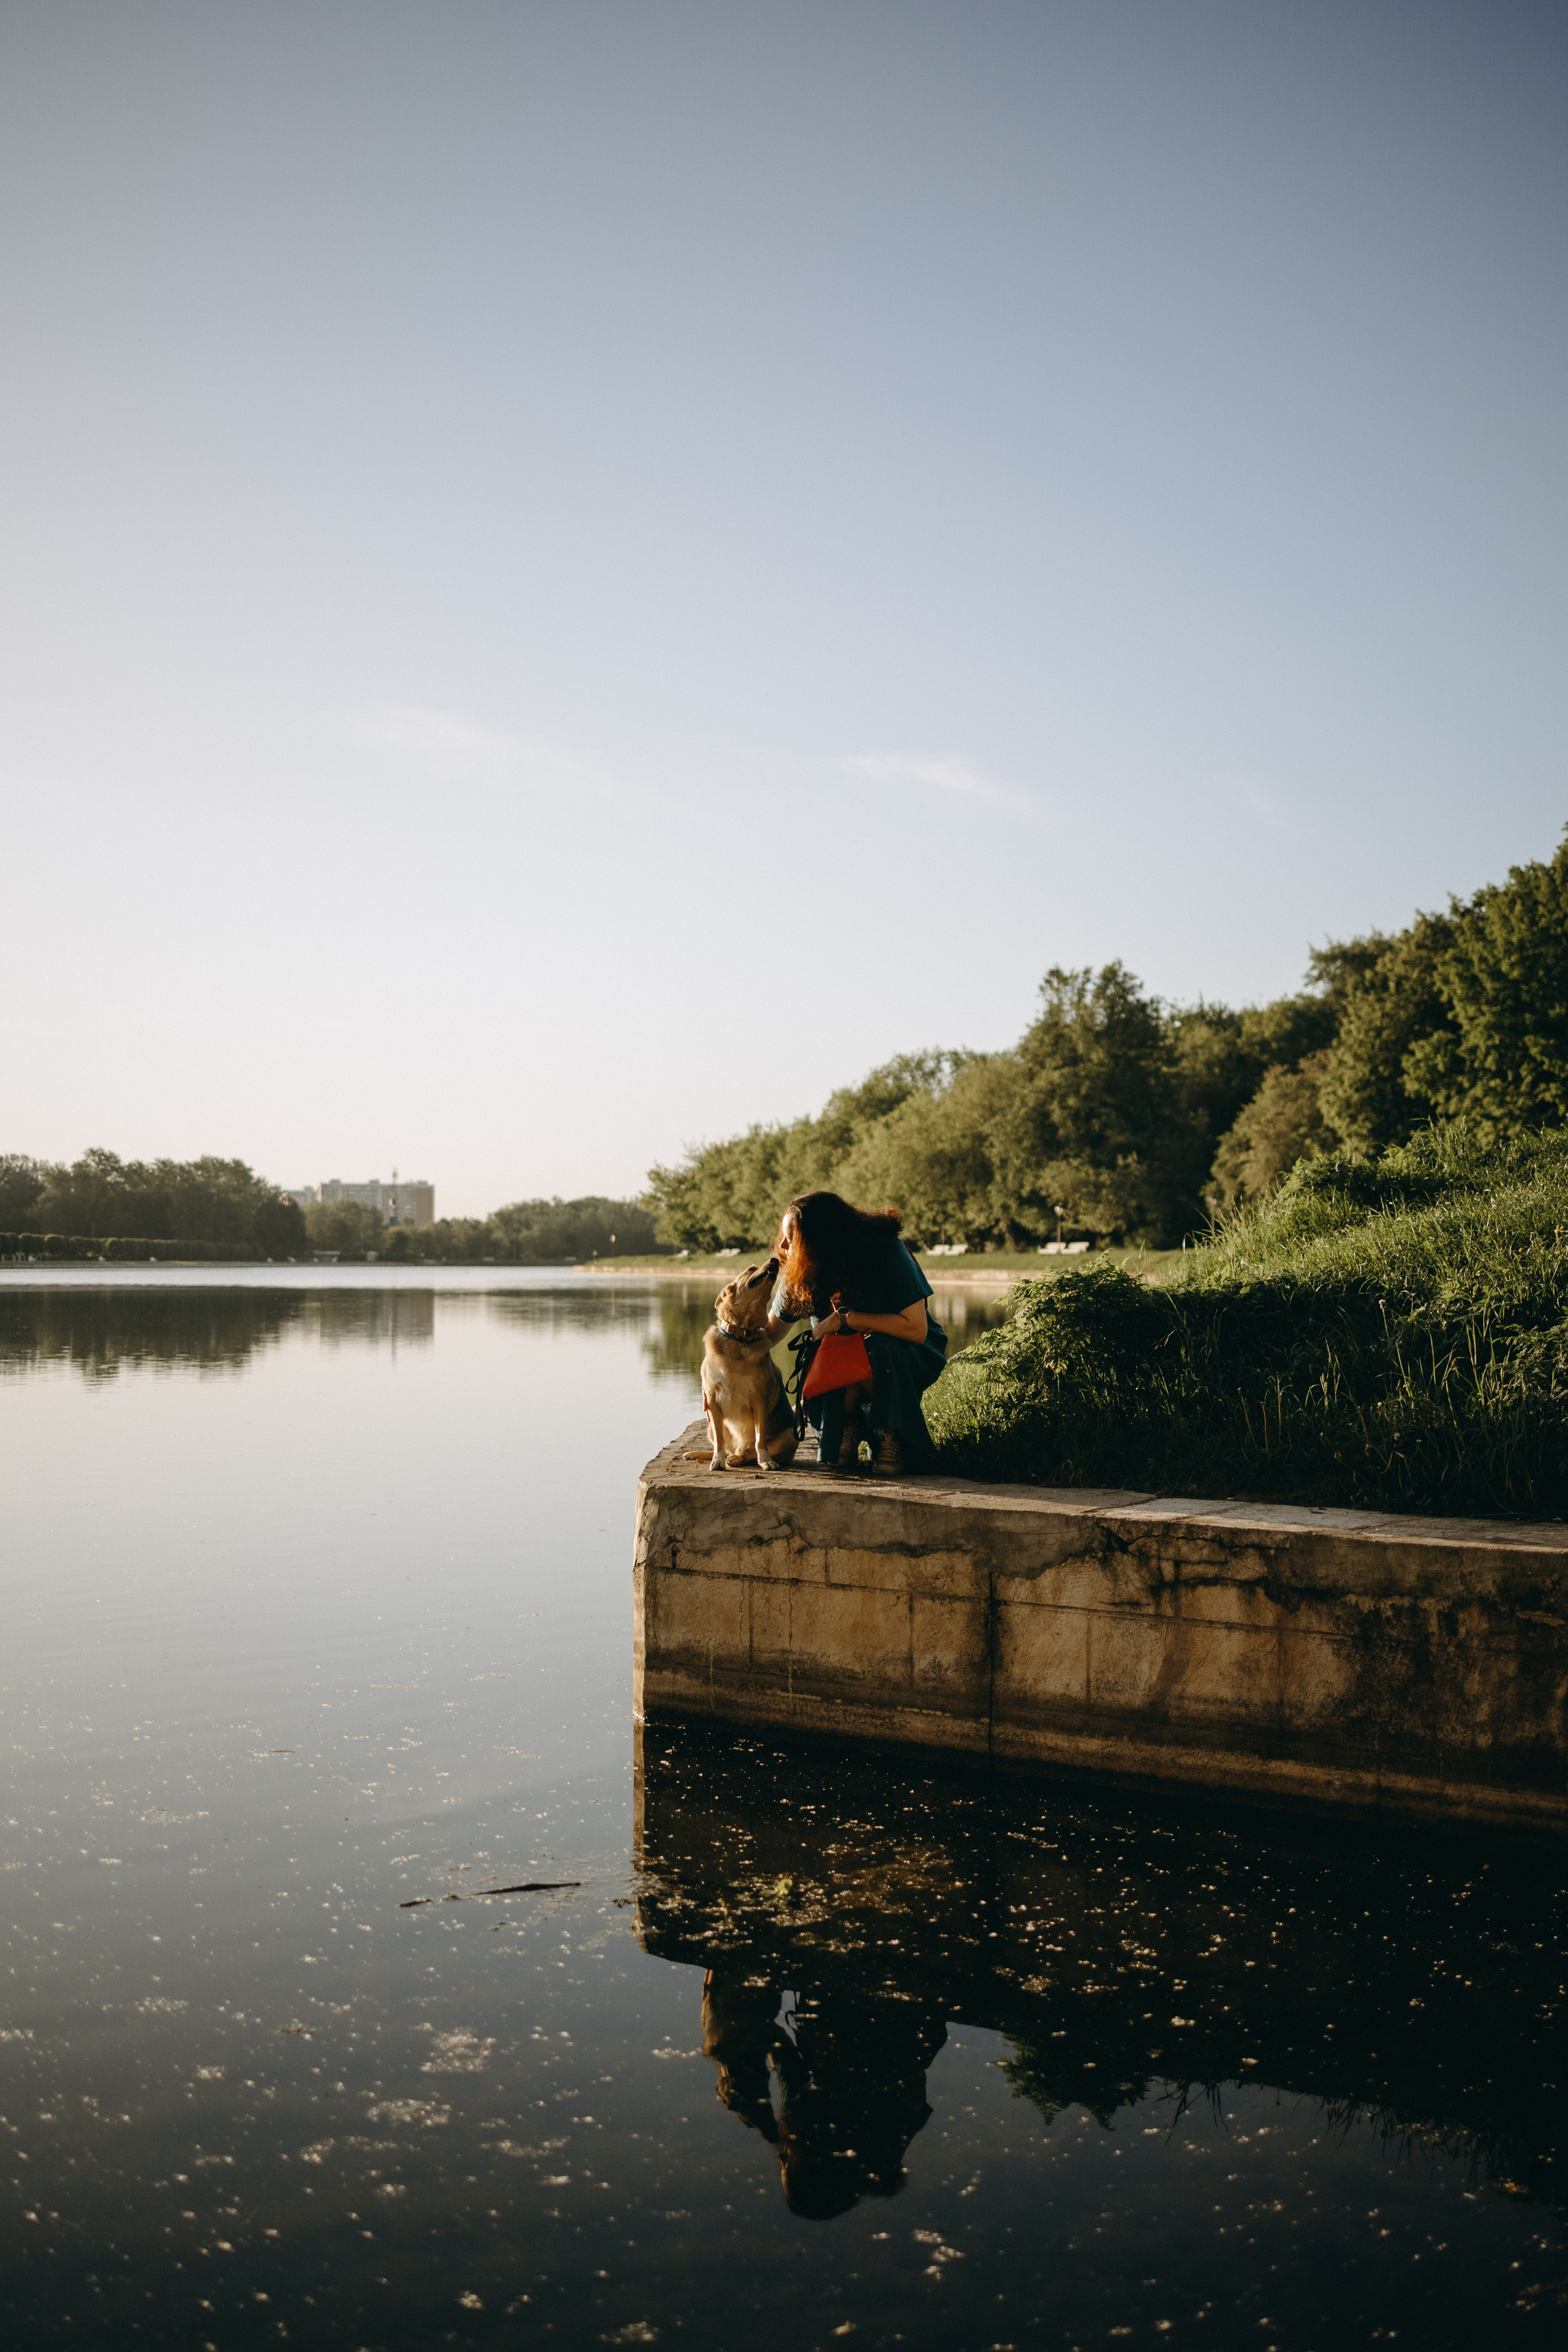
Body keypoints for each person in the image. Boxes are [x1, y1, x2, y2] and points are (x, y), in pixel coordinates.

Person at [763, 1190, 947, 1474]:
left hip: (908, 1353)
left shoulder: (885, 1249)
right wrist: (725, 1345)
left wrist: (844, 1320)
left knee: (881, 1346)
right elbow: (769, 1335)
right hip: (845, 1364)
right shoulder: (803, 1269)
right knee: (829, 1358)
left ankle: (892, 1435)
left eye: (793, 1237)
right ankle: (848, 1426)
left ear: (821, 1239)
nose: (783, 1245)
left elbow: (916, 1329)